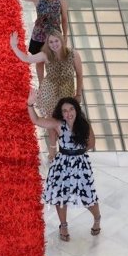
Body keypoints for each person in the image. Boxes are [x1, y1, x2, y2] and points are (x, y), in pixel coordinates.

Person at [26, 88, 101, 242]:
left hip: (80, 165)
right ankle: (63, 225)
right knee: (61, 197)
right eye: (65, 111)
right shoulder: (59, 124)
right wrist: (30, 105)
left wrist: (77, 153)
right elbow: (37, 121)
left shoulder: (84, 124)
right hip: (62, 165)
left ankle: (97, 218)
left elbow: (92, 143)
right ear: (61, 113)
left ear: (76, 109)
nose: (68, 113)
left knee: (88, 197)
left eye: (71, 109)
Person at [10, 28, 83, 117]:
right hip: (49, 92)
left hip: (67, 91)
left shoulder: (73, 54)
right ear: (47, 44)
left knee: (67, 117)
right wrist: (14, 46)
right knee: (51, 118)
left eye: (56, 41)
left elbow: (79, 75)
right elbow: (26, 58)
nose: (54, 44)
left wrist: (78, 94)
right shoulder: (45, 55)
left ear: (61, 40)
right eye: (51, 42)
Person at [15, 0, 68, 81]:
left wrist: (65, 36)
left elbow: (64, 19)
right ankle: (41, 84)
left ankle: (55, 83)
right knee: (39, 61)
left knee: (55, 60)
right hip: (39, 36)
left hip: (54, 36)